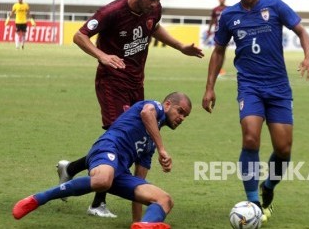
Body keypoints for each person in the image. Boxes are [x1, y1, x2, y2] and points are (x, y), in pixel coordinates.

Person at [57, 0, 204, 219]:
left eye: (159, 0)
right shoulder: (112, 12)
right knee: (121, 136)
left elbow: (154, 28)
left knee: (133, 137)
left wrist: (180, 47)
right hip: (111, 82)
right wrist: (102, 56)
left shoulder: (153, 11)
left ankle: (70, 168)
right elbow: (79, 35)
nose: (155, 4)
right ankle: (97, 202)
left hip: (136, 84)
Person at [201, 0, 309, 221]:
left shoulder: (274, 6)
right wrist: (209, 88)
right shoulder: (229, 15)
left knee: (284, 149)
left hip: (278, 87)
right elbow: (218, 51)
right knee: (251, 138)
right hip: (250, 86)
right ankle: (253, 203)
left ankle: (268, 187)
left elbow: (301, 31)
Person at [13, 92, 192, 229]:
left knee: (165, 200)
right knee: (103, 180)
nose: (182, 118)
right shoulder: (154, 107)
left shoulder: (150, 145)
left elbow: (139, 182)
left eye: (186, 116)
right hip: (106, 148)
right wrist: (162, 149)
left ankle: (145, 225)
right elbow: (147, 113)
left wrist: (136, 221)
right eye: (180, 111)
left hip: (120, 172)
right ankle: (39, 198)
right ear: (167, 104)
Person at [206, 0, 228, 77]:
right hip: (217, 32)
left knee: (222, 51)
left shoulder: (227, 8)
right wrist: (209, 30)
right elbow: (212, 19)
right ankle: (218, 70)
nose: (221, 0)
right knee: (218, 51)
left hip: (226, 32)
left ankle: (219, 69)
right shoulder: (215, 9)